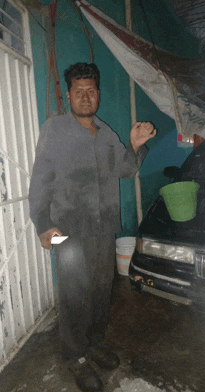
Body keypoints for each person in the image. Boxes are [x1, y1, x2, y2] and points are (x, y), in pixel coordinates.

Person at [29, 62, 156, 392]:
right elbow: (40, 180)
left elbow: (125, 170)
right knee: (74, 294)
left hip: (103, 226)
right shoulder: (55, 130)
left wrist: (135, 145)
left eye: (91, 91)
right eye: (79, 91)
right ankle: (75, 355)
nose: (86, 97)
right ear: (68, 95)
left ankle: (94, 342)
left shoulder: (107, 133)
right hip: (66, 229)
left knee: (102, 288)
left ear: (98, 95)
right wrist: (43, 224)